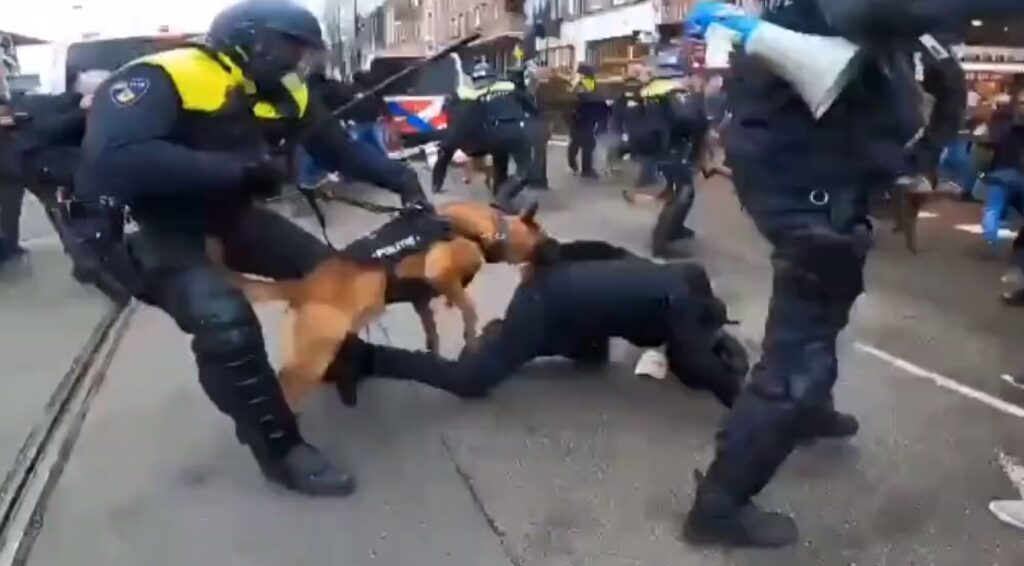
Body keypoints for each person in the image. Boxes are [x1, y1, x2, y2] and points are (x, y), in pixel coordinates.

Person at [74, 0, 430, 497]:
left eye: (304, 53)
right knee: (226, 323)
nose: (297, 62)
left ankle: (336, 358)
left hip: (230, 216)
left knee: (333, 277)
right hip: (154, 228)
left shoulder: (287, 90)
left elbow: (338, 148)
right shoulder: (163, 76)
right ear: (249, 39)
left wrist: (402, 179)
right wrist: (239, 171)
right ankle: (280, 448)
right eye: (290, 49)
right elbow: (116, 159)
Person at [681, 0, 1002, 548]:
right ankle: (720, 503)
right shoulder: (844, 11)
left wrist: (919, 158)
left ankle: (809, 412)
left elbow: (945, 83)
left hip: (832, 196)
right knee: (797, 361)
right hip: (808, 203)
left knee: (829, 309)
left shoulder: (881, 32)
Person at [332, 239, 750, 409]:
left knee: (593, 355)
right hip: (547, 304)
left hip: (564, 289)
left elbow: (605, 250)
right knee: (471, 381)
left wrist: (550, 254)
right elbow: (697, 368)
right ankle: (364, 358)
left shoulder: (680, 276)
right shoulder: (681, 312)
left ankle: (506, 338)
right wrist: (746, 401)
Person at [432, 60, 537, 211]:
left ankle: (500, 198)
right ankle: (503, 197)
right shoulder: (509, 87)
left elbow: (463, 114)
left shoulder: (473, 94)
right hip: (516, 131)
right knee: (525, 170)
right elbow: (531, 106)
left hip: (491, 134)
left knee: (500, 163)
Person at [566, 64, 605, 179]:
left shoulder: (578, 82)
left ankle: (575, 164)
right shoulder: (584, 82)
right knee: (587, 143)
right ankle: (586, 169)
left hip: (579, 116)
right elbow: (589, 97)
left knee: (579, 141)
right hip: (582, 116)